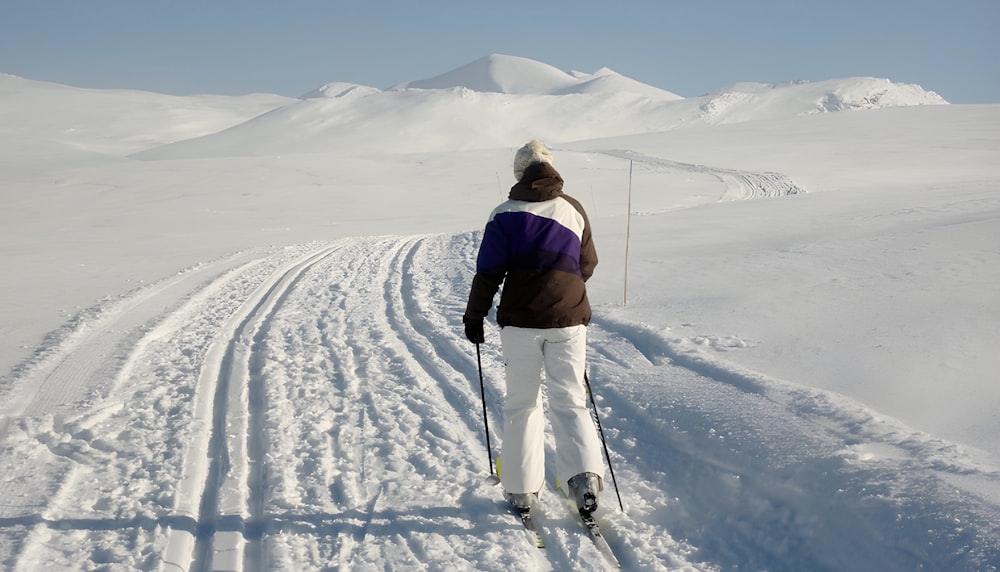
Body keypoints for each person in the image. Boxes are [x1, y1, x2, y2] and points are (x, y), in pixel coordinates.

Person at [463, 139, 605, 516]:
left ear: (518, 172)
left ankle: (522, 490)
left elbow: (488, 272)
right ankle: (584, 481)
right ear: (551, 169)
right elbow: (587, 263)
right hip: (569, 320)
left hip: (521, 322)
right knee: (571, 399)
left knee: (523, 404)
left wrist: (474, 315)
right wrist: (563, 290)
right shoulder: (573, 209)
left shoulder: (504, 213)